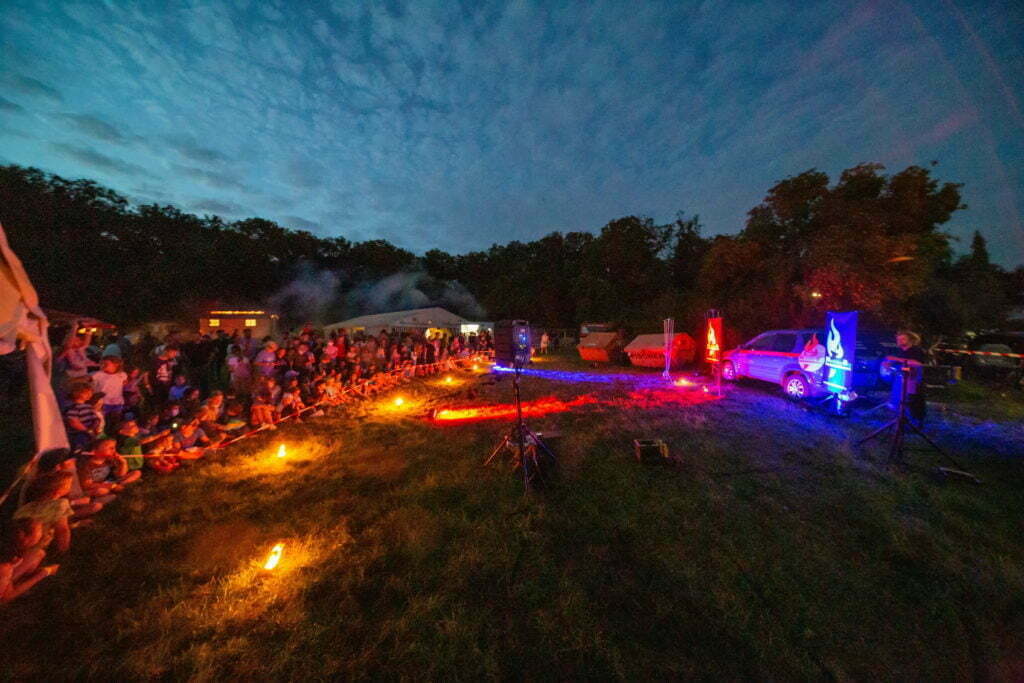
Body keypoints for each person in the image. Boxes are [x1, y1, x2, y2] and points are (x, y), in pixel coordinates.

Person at [13, 471, 75, 554]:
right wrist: (64, 550)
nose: (71, 486)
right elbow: (62, 530)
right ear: (58, 490)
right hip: (38, 545)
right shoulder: (60, 504)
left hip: (17, 546)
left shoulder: (27, 507)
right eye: (69, 484)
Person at [0, 519, 59, 603]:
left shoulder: (9, 555)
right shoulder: (5, 567)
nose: (49, 538)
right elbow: (5, 598)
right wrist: (44, 572)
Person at [883, 329, 927, 423]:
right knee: (900, 402)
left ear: (911, 340)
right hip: (901, 381)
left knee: (911, 402)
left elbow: (917, 363)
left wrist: (896, 359)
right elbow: (900, 366)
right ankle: (901, 420)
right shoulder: (901, 352)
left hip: (912, 381)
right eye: (898, 339)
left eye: (903, 339)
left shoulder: (916, 350)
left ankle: (913, 422)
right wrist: (889, 366)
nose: (899, 341)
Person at [91, 356, 128, 427]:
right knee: (102, 421)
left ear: (116, 364)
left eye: (106, 364)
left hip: (117, 402)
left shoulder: (122, 375)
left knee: (115, 421)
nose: (103, 365)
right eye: (102, 363)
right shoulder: (98, 374)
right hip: (103, 402)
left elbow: (124, 382)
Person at [64, 384, 102, 452]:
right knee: (81, 448)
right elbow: (73, 421)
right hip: (79, 434)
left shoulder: (88, 406)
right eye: (86, 393)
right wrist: (86, 430)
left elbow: (95, 418)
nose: (90, 395)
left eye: (90, 393)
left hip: (90, 433)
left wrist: (95, 427)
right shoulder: (74, 407)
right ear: (77, 393)